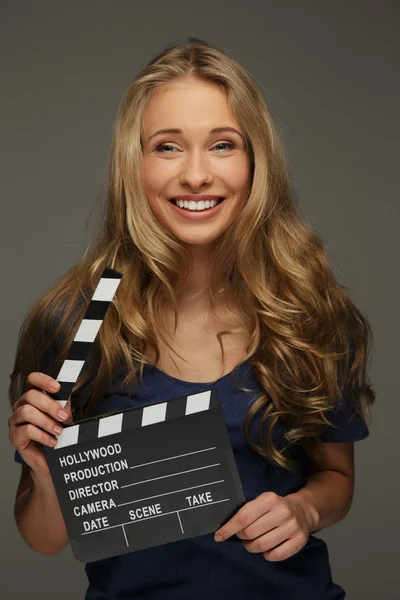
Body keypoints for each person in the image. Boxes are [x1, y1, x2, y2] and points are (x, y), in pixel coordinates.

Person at [8, 37, 375, 600]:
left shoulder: (311, 313)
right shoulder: (73, 324)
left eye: (223, 144)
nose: (196, 175)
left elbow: (337, 480)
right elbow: (46, 539)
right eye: (167, 147)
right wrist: (41, 470)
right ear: (135, 164)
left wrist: (303, 509)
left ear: (255, 161)